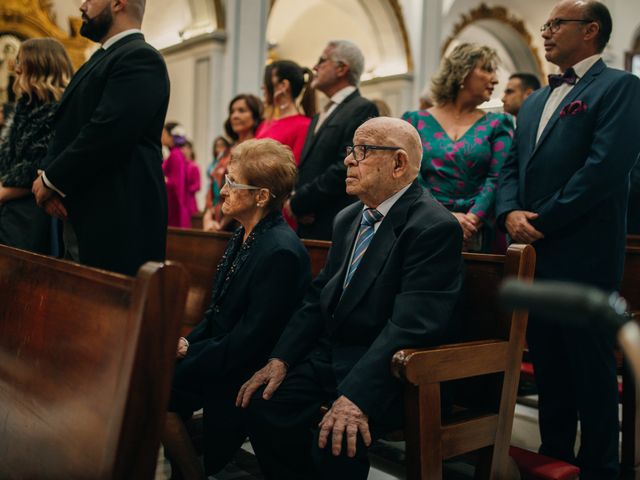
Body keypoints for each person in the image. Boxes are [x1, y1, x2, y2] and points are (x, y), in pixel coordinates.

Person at [238, 117, 463, 480]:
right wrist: (281, 358)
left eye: (362, 150)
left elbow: (413, 324)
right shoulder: (348, 218)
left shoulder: (432, 226)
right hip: (333, 356)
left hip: (392, 370)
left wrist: (357, 396)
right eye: (350, 150)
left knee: (338, 434)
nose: (348, 161)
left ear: (399, 163)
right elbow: (317, 298)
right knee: (262, 404)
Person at [495, 2, 640, 477]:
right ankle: (555, 456)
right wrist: (509, 212)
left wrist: (542, 219)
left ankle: (602, 465)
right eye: (547, 24)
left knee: (591, 363)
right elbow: (512, 165)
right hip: (535, 251)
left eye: (557, 24)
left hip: (584, 248)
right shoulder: (535, 99)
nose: (546, 32)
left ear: (591, 30)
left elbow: (605, 169)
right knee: (550, 360)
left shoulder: (621, 88)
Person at [162, 138, 311, 479]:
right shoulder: (246, 233)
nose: (223, 190)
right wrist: (187, 344)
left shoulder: (280, 251)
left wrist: (194, 356)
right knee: (159, 375)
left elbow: (253, 337)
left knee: (157, 391)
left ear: (261, 196)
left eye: (232, 182)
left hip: (248, 365)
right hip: (227, 351)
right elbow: (217, 312)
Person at [30, 0, 170, 276]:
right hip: (83, 209)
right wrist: (47, 174)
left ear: (118, 4)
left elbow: (106, 131)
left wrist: (51, 180)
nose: (82, 6)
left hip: (116, 217)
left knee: (105, 310)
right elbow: (64, 127)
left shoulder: (140, 57)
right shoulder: (101, 58)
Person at [402, 43, 514, 252]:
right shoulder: (415, 121)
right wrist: (442, 216)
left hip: (476, 232)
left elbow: (497, 177)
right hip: (422, 223)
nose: (495, 80)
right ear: (462, 72)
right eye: (487, 69)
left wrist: (472, 219)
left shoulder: (498, 124)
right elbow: (408, 175)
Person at [287, 40, 379, 240]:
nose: (314, 67)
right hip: (307, 219)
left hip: (332, 220)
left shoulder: (361, 108)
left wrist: (300, 202)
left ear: (342, 68)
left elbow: (345, 166)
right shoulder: (322, 113)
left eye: (322, 60)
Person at [0, 38, 72, 254]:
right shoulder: (24, 108)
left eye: (22, 61)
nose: (17, 68)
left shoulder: (58, 111)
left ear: (40, 67)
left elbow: (40, 166)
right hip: (10, 207)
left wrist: (2, 193)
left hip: (33, 213)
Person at [203, 94, 262, 232]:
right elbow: (212, 187)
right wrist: (207, 217)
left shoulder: (258, 150)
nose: (235, 116)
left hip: (241, 225)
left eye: (242, 111)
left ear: (255, 116)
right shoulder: (225, 152)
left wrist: (222, 225)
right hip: (215, 223)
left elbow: (249, 192)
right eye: (232, 111)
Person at [256, 59, 315, 164]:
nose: (263, 87)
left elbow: (293, 170)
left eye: (267, 81)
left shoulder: (303, 126)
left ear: (283, 85)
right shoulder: (266, 123)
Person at [161, 122, 191, 228]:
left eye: (163, 133)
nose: (161, 136)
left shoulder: (175, 155)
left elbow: (176, 184)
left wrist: (161, 179)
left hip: (175, 206)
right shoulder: (176, 154)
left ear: (171, 137)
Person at [183, 139, 201, 216]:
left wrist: (185, 188)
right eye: (182, 148)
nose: (184, 150)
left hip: (189, 200)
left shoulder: (194, 166)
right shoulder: (179, 164)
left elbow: (197, 186)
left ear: (190, 149)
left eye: (186, 148)